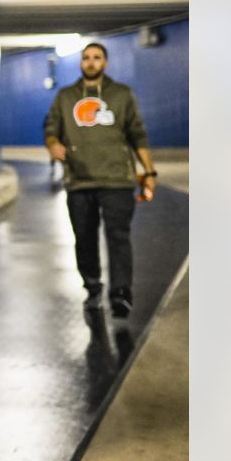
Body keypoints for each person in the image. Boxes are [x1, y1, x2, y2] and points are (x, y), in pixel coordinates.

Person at [44, 41, 156, 318]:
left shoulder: (121, 94)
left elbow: (137, 134)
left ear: (105, 62)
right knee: (84, 237)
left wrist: (149, 173)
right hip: (79, 180)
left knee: (118, 236)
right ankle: (92, 285)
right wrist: (52, 143)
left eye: (96, 58)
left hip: (118, 179)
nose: (91, 62)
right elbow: (51, 129)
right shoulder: (66, 96)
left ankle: (120, 292)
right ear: (81, 62)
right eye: (86, 58)